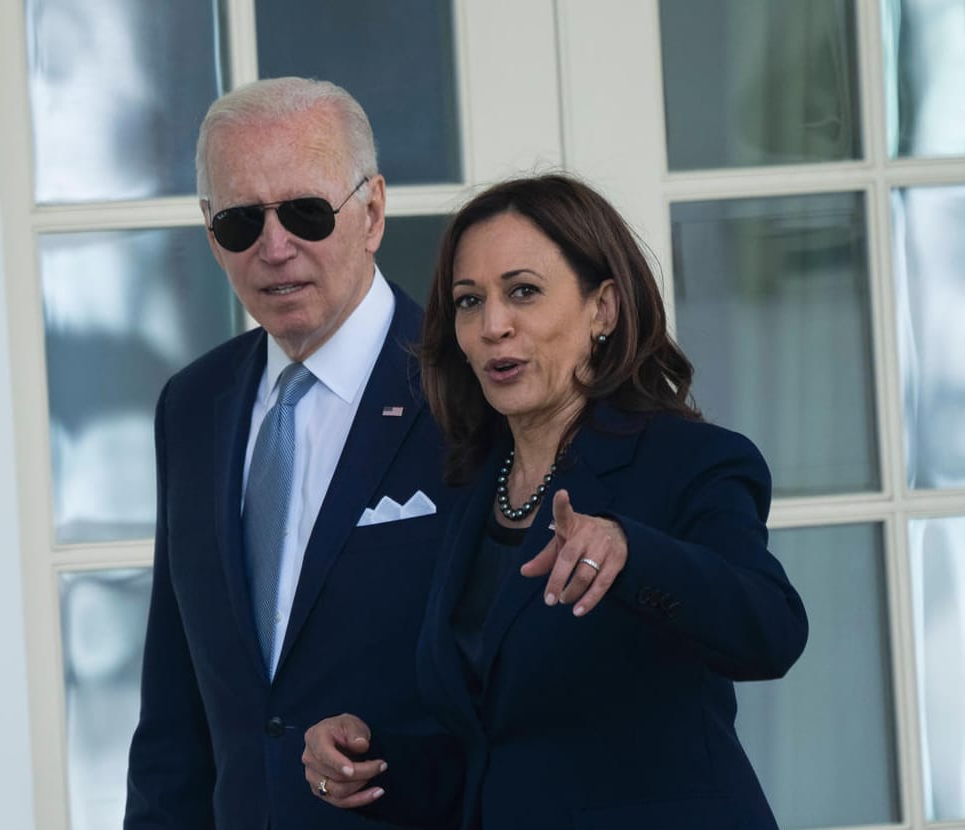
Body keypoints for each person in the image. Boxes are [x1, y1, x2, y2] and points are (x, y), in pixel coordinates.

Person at [302, 174, 809, 829]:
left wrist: (632, 553)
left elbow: (769, 634)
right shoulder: (468, 488)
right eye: (467, 300)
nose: (491, 326)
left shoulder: (687, 460)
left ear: (602, 308)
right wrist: (364, 764)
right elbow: (495, 757)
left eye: (522, 292)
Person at [124, 77, 462, 829]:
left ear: (371, 211)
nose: (275, 249)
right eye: (242, 223)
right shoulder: (192, 403)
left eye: (306, 212)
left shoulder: (467, 393)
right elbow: (174, 704)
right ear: (211, 233)